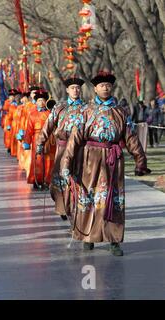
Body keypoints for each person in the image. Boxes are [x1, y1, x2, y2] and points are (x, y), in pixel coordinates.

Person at [60, 71, 150, 256]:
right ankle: (88, 236)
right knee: (89, 196)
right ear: (95, 88)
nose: (105, 87)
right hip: (90, 160)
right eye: (101, 85)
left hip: (112, 160)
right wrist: (66, 163)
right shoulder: (86, 111)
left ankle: (114, 240)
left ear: (112, 87)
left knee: (113, 200)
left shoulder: (121, 112)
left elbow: (131, 138)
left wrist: (140, 160)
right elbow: (75, 139)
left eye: (108, 85)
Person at [37, 77, 88, 220]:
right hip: (62, 147)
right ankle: (62, 207)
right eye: (72, 88)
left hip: (80, 150)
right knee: (59, 180)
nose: (75, 90)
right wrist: (40, 143)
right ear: (67, 90)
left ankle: (78, 207)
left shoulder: (87, 108)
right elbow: (48, 126)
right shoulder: (59, 107)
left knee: (78, 179)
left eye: (78, 88)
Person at [23, 90, 55, 189]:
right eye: (39, 100)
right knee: (37, 160)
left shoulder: (50, 113)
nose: (41, 102)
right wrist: (27, 142)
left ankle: (48, 180)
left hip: (49, 139)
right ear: (36, 102)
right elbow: (29, 129)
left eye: (43, 100)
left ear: (46, 101)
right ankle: (36, 180)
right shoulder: (32, 114)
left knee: (49, 161)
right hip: (36, 139)